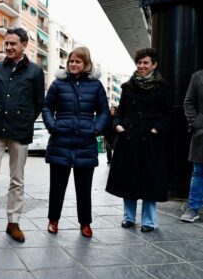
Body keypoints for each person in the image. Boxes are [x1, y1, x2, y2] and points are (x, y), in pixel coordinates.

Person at [0, 28, 45, 243]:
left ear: (24, 45)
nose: (9, 47)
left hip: (20, 130)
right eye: (7, 44)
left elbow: (38, 102)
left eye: (13, 43)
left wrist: (23, 118)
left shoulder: (35, 71)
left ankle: (13, 222)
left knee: (17, 178)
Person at [42, 46, 109, 238]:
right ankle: (53, 220)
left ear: (86, 64)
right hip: (60, 142)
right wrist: (52, 126)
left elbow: (104, 111)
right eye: (71, 61)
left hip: (85, 143)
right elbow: (46, 107)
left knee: (84, 188)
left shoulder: (96, 85)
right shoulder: (57, 84)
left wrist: (96, 128)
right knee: (57, 187)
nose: (73, 64)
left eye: (78, 61)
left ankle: (85, 223)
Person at [106, 48, 174, 232]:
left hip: (151, 140)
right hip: (129, 138)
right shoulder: (128, 86)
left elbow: (169, 113)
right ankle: (128, 218)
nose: (142, 66)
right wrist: (117, 125)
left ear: (154, 65)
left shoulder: (163, 88)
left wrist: (156, 129)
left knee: (150, 181)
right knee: (129, 179)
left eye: (146, 63)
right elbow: (120, 111)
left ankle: (149, 221)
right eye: (139, 63)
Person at [180, 69, 203, 222]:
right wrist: (197, 125)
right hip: (202, 132)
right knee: (198, 171)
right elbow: (188, 102)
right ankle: (193, 208)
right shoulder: (197, 76)